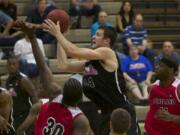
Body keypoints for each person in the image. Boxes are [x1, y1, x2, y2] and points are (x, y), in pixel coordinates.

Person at [45, 19, 140, 135]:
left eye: (98, 35)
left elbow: (73, 51)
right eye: (94, 34)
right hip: (105, 114)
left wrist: (58, 34)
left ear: (106, 41)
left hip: (121, 112)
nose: (93, 37)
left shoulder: (108, 53)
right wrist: (60, 38)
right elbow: (63, 65)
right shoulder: (89, 65)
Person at [16, 21, 91, 135]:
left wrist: (32, 37)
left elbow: (42, 66)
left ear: (63, 92)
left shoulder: (55, 95)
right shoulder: (80, 120)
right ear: (79, 99)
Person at [145, 56, 180, 135]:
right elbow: (152, 113)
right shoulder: (151, 88)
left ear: (171, 70)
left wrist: (172, 117)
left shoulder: (178, 89)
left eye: (161, 65)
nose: (156, 67)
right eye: (157, 65)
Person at [6, 54, 39, 134]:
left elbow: (35, 97)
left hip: (25, 115)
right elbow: (13, 96)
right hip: (14, 116)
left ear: (18, 65)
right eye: (10, 64)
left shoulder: (23, 80)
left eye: (14, 64)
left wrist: (34, 115)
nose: (12, 66)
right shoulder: (8, 81)